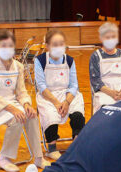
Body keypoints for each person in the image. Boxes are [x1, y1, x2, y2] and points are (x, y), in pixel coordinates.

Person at [0, 29, 48, 172]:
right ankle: (4, 158)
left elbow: (21, 92)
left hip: (12, 103)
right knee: (17, 117)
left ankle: (39, 157)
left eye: (10, 45)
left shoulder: (18, 66)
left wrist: (27, 104)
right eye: (3, 46)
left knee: (31, 115)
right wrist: (13, 109)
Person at [35, 29, 85, 161]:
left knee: (78, 111)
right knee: (50, 114)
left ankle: (77, 144)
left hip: (67, 94)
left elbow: (74, 85)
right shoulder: (40, 60)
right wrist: (57, 103)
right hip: (48, 95)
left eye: (61, 44)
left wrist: (67, 102)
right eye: (54, 44)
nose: (58, 47)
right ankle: (51, 148)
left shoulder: (69, 60)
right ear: (47, 45)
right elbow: (41, 86)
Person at [89, 22, 121, 113]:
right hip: (104, 92)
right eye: (107, 37)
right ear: (101, 38)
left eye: (113, 37)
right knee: (107, 110)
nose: (111, 40)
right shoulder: (96, 56)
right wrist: (111, 93)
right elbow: (96, 81)